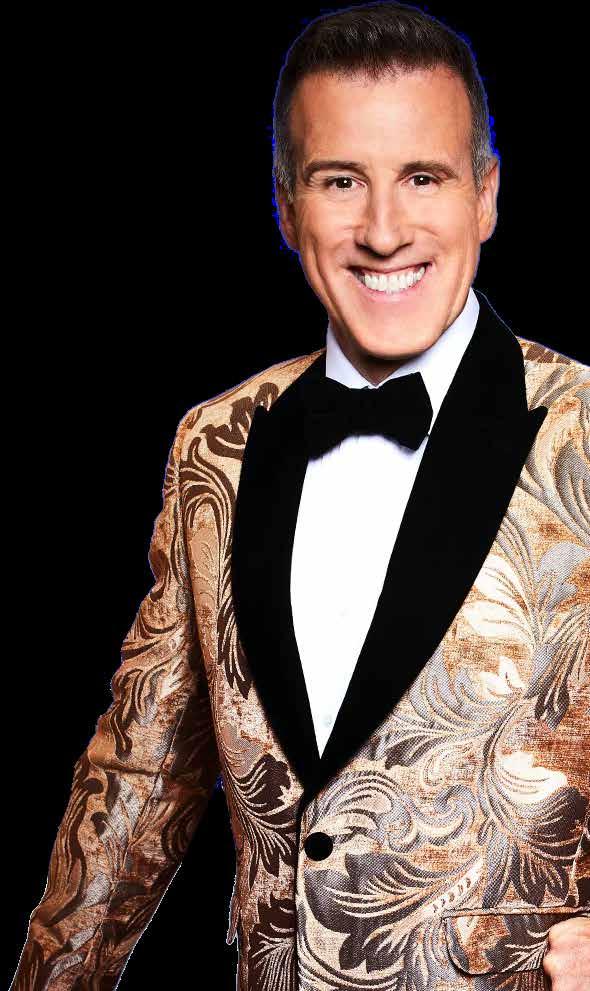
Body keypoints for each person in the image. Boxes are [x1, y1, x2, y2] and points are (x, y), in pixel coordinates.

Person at [12, 3, 589, 989]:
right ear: (285, 208)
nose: (383, 231)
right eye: (339, 181)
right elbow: (140, 778)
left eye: (423, 177)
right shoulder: (215, 444)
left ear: (486, 196)